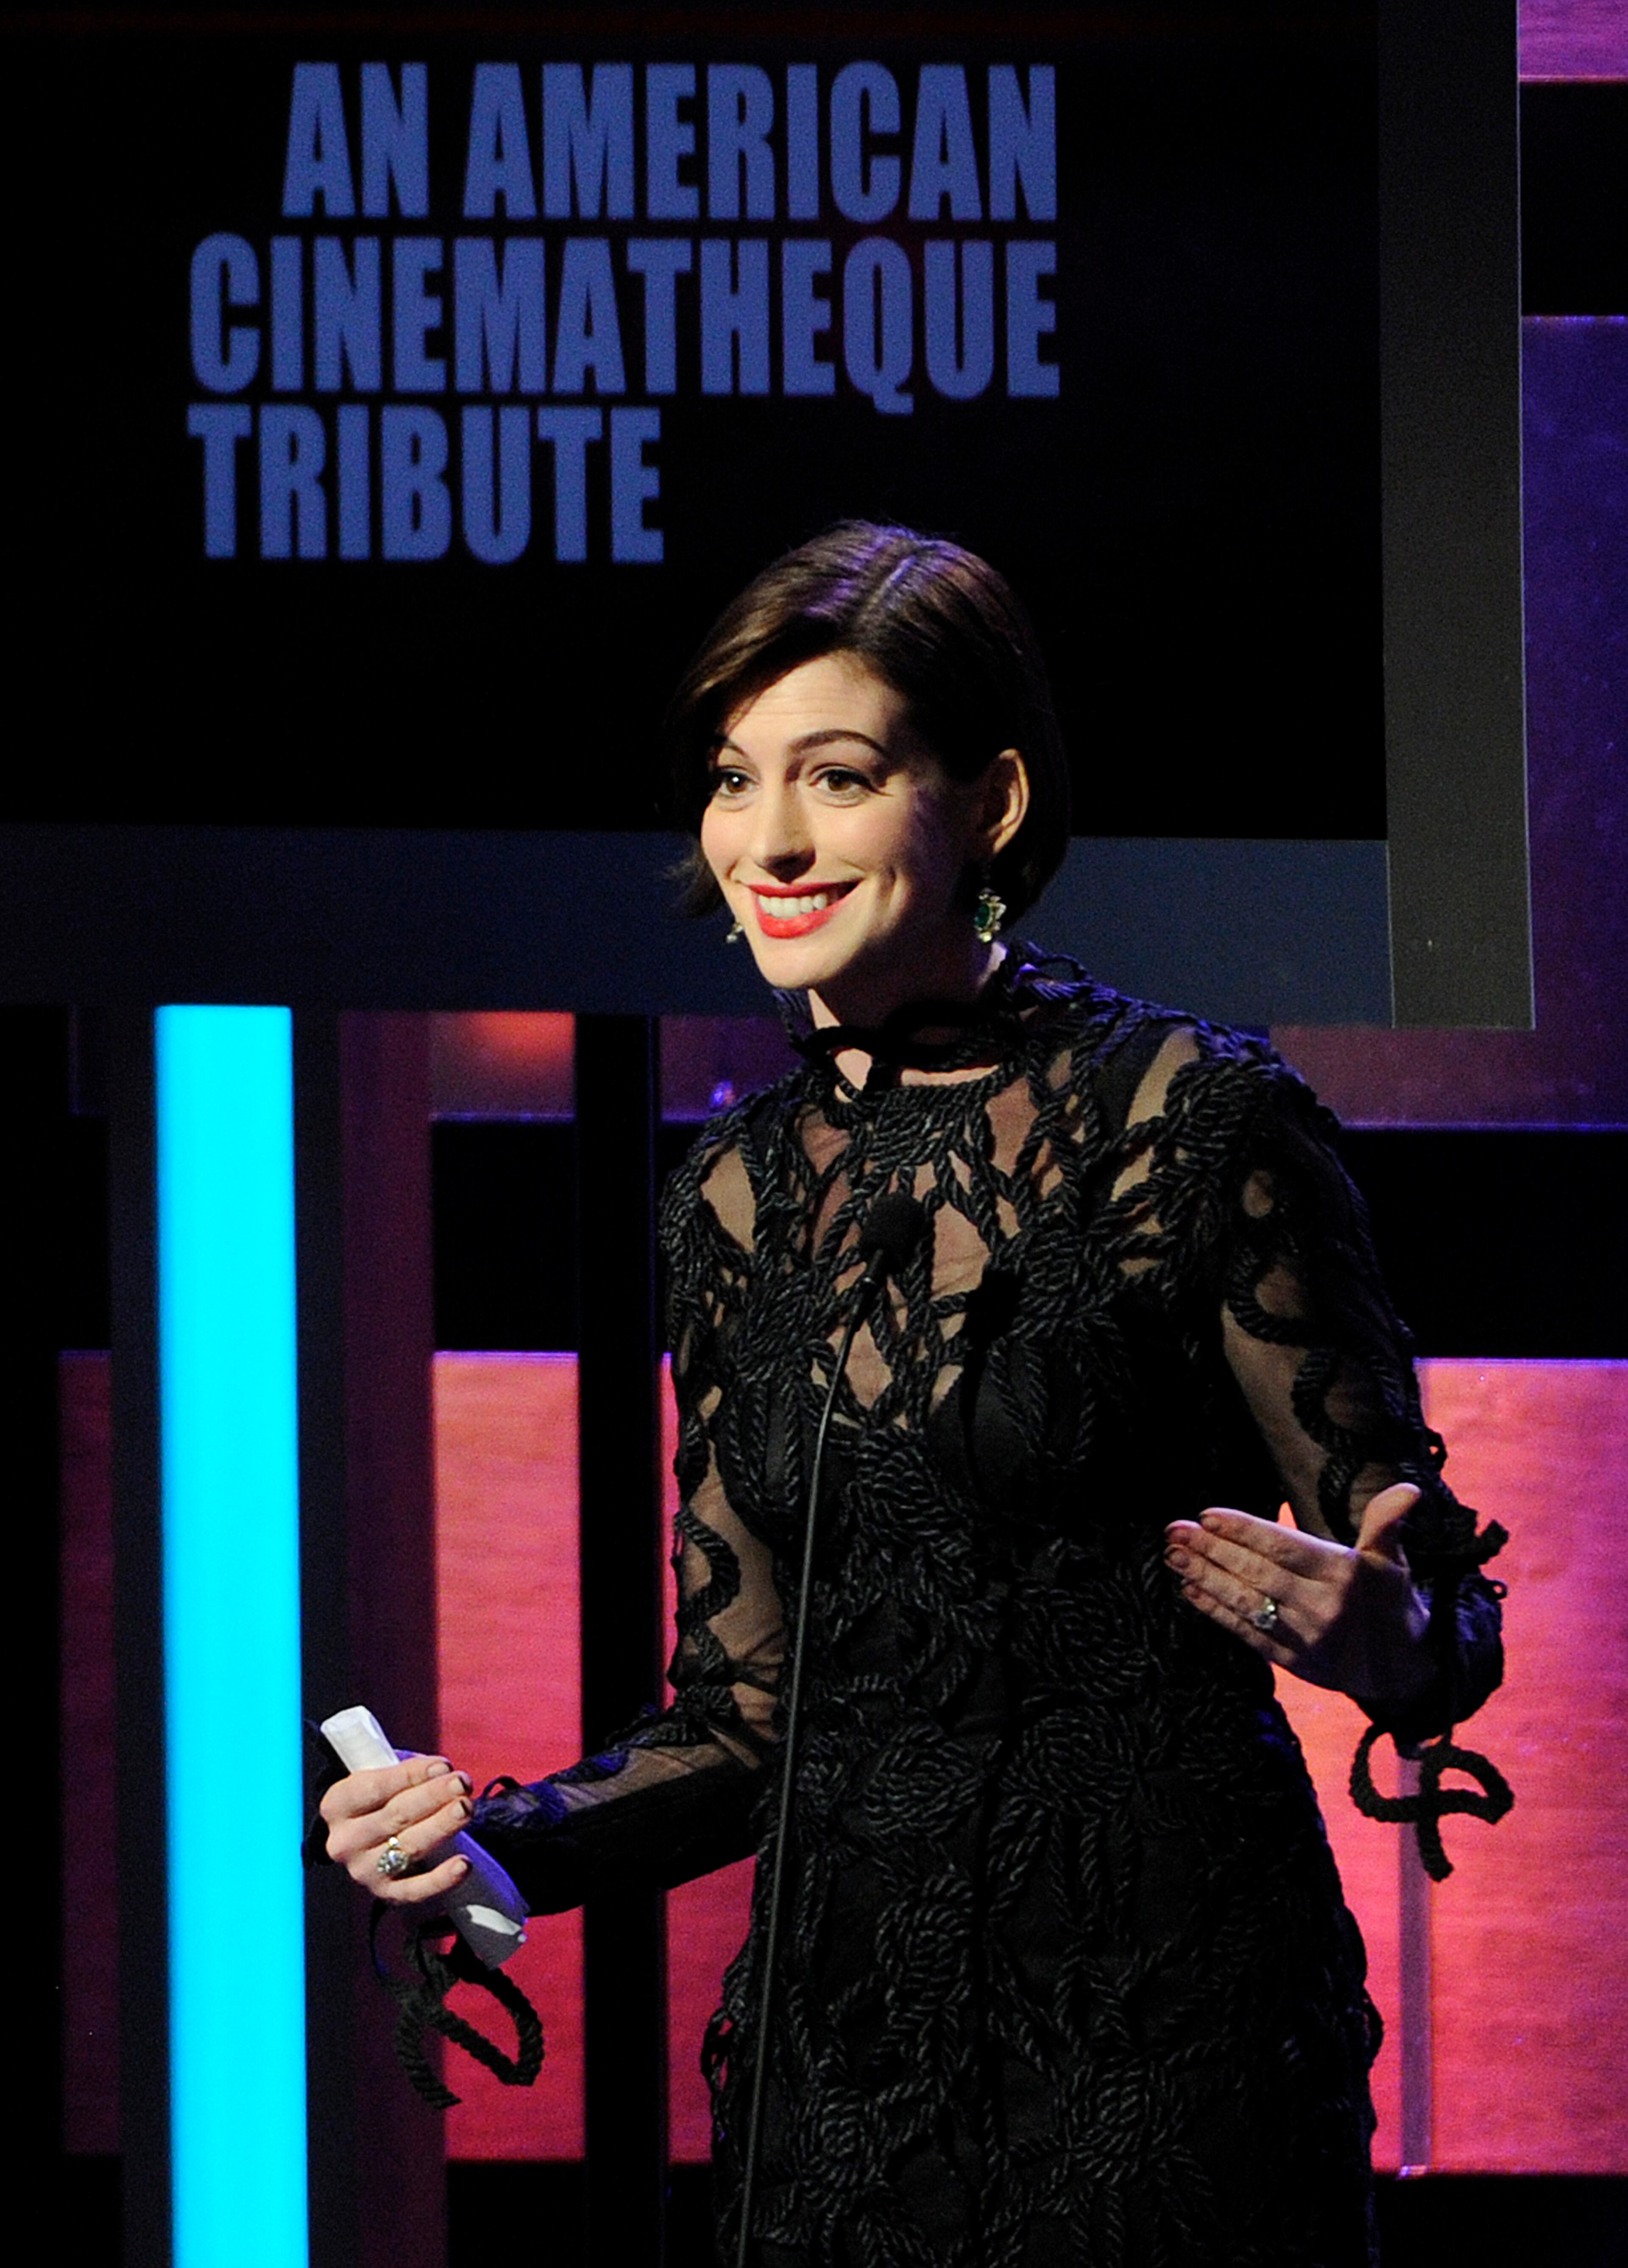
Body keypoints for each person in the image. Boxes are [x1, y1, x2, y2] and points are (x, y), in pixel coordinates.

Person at [321, 524, 1507, 2267]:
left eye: (840, 776)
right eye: (736, 780)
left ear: (991, 802)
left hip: (1163, 2035)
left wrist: (1392, 1637)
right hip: (849, 2058)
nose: (769, 843)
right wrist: (493, 1844)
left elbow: (1436, 1604)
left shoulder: (1192, 1121)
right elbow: (746, 1720)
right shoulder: (735, 1196)